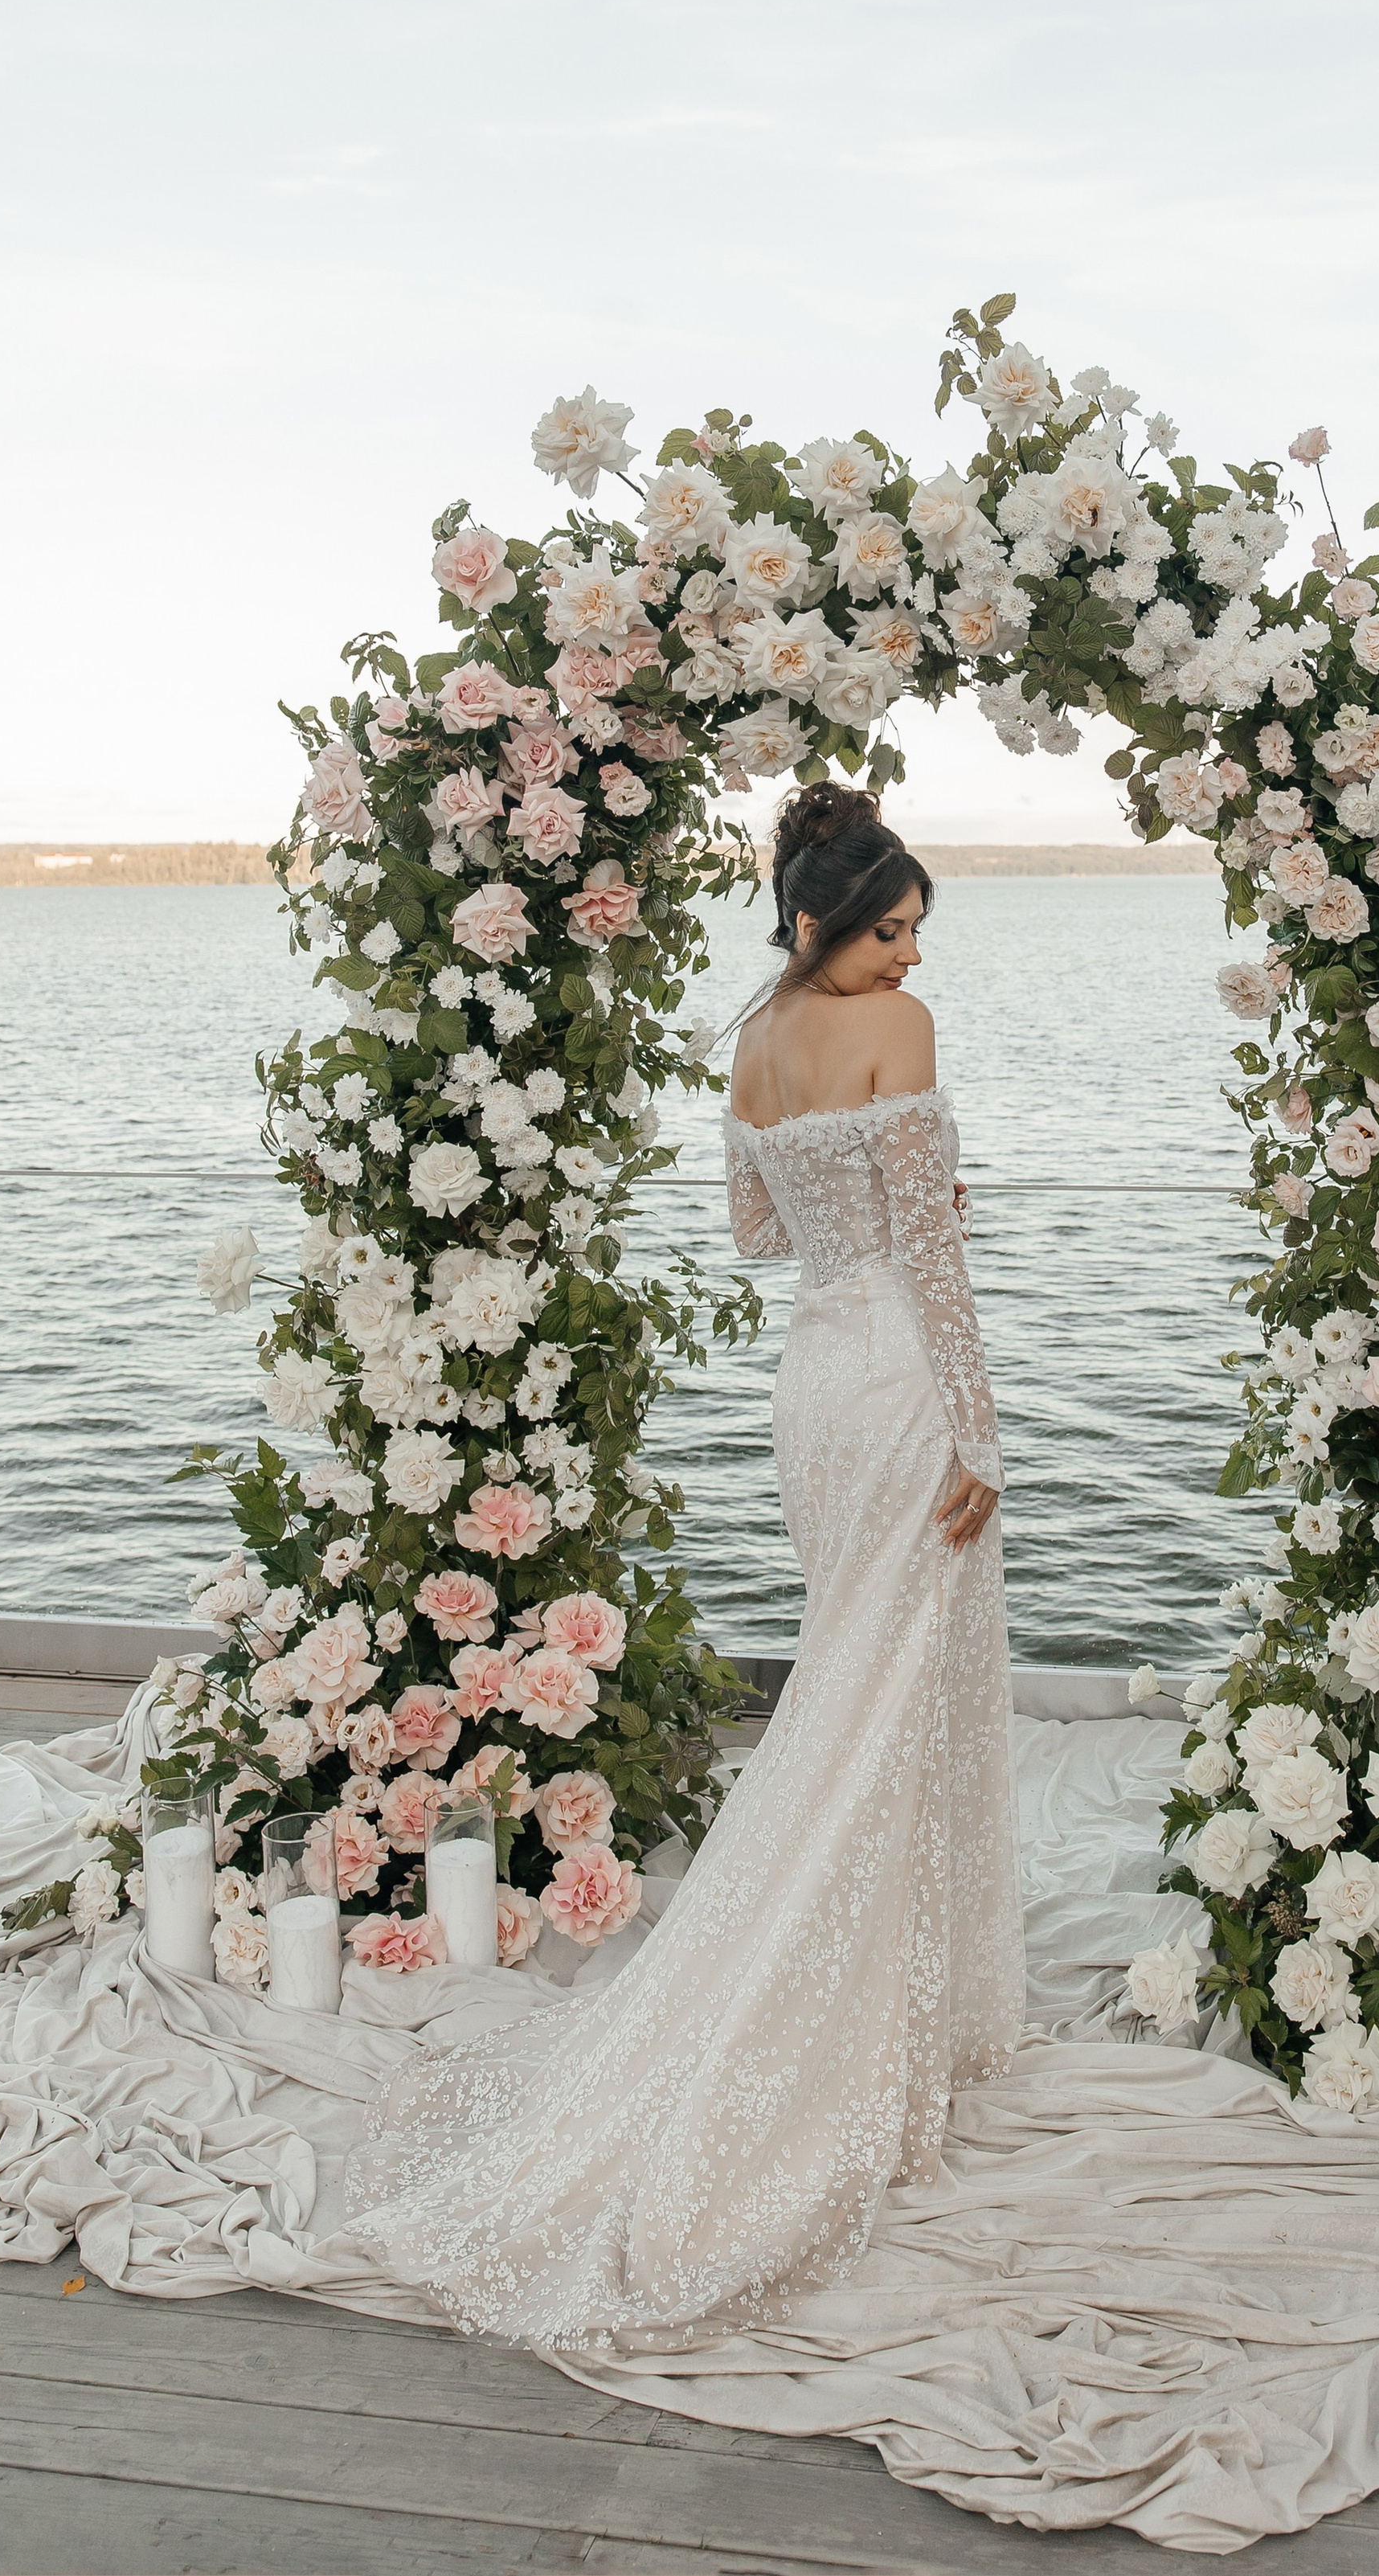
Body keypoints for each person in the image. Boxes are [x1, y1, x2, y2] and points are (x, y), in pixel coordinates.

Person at [346, 784, 1023, 2353]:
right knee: (884, 1696)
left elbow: (758, 1235)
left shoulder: (748, 1041)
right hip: (904, 1392)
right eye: (887, 932)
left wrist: (884, 1210)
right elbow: (928, 1266)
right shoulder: (899, 1045)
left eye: (916, 933)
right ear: (814, 920)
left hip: (809, 1396)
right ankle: (852, 2016)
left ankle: (870, 1993)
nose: (908, 962)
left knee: (849, 1686)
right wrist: (981, 1436)